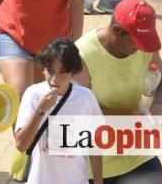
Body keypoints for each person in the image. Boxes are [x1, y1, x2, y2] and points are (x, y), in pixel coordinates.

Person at [75, 0, 162, 182]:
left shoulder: (143, 47)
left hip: (135, 150)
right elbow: (81, 112)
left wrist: (158, 105)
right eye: (136, 42)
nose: (140, 48)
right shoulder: (82, 56)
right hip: (95, 162)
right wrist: (135, 118)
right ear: (116, 31)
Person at [13, 39, 103, 184]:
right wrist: (40, 110)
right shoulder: (33, 94)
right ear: (43, 69)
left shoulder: (85, 98)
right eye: (50, 71)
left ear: (73, 73)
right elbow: (21, 145)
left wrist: (98, 181)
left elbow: (95, 144)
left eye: (62, 72)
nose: (55, 79)